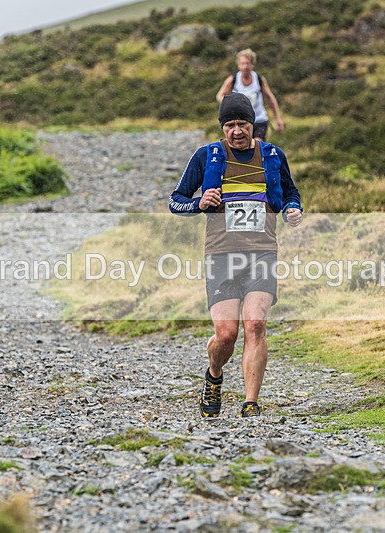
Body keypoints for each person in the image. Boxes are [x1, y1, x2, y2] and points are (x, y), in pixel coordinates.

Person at [169, 92, 303, 418]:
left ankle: (250, 403)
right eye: (229, 125)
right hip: (221, 255)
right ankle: (214, 374)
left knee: (255, 324)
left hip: (262, 253)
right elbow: (176, 200)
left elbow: (291, 193)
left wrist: (293, 209)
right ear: (222, 128)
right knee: (226, 335)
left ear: (253, 125)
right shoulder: (207, 156)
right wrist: (198, 203)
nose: (237, 131)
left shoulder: (272, 155)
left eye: (242, 123)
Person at [216, 48, 285, 142]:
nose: (245, 66)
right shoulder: (233, 79)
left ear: (252, 64)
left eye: (247, 63)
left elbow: (270, 98)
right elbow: (220, 95)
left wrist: (278, 119)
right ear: (238, 65)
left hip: (259, 120)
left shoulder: (259, 79)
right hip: (242, 121)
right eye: (242, 63)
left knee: (257, 144)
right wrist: (231, 105)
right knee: (244, 146)